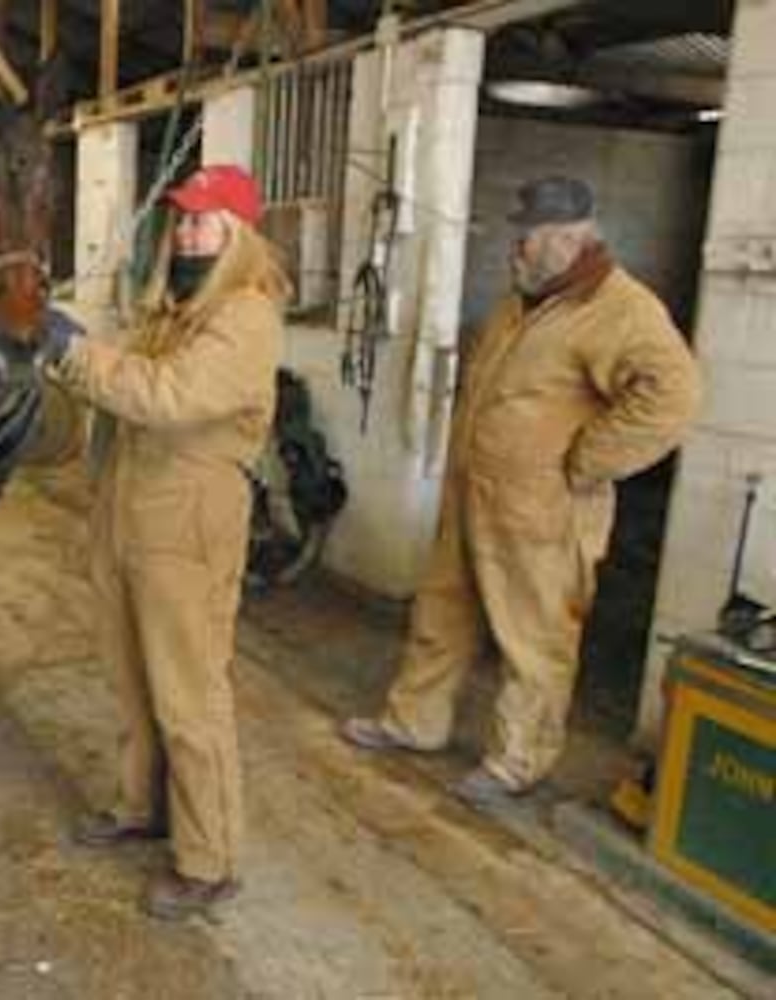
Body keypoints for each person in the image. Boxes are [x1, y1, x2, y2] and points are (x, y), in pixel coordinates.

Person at [341, 176, 702, 807]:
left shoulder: (621, 309)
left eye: (527, 237)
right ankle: (414, 722)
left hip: (545, 508)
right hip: (475, 493)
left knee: (534, 639)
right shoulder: (527, 300)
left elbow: (673, 398)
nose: (517, 249)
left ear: (567, 239)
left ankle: (518, 761)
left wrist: (588, 461)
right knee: (442, 612)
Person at [41, 164, 289, 920]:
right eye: (181, 219)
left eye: (203, 220)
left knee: (189, 694)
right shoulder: (173, 308)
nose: (186, 231)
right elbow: (124, 386)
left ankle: (209, 859)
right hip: (129, 516)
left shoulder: (245, 313)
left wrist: (73, 352)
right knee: (130, 677)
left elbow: (170, 396)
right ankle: (142, 805)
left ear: (238, 232)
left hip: (187, 527)